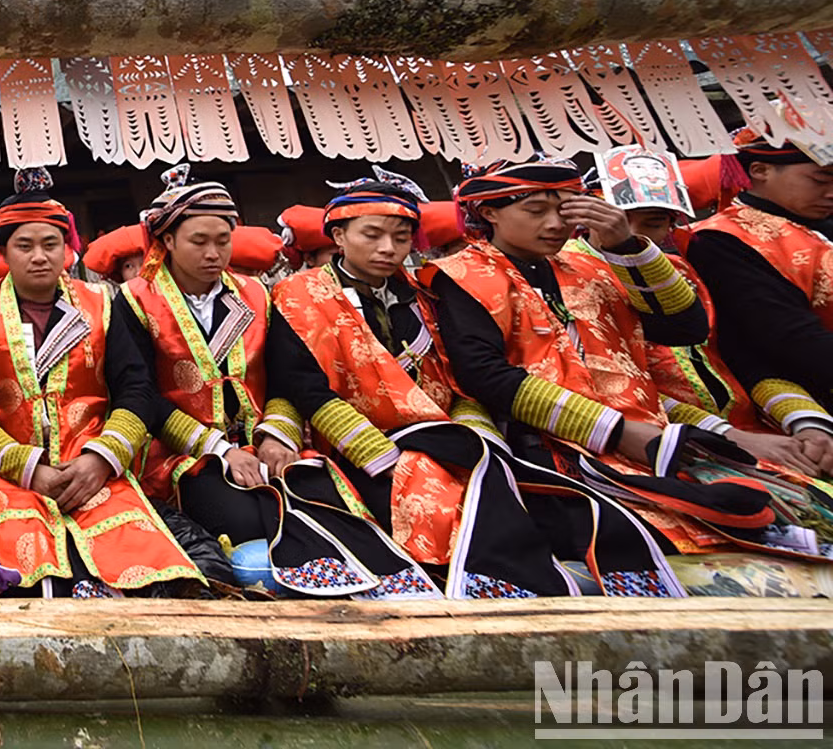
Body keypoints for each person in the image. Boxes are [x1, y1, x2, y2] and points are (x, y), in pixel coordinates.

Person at [270, 180, 681, 598]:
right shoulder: (297, 295)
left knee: (503, 489)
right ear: (339, 236)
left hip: (446, 434)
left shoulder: (425, 291)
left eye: (400, 237)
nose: (388, 249)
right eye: (371, 235)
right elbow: (306, 387)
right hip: (358, 443)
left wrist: (478, 440)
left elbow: (459, 380)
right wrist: (379, 456)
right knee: (428, 496)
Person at [419, 158, 812, 565]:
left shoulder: (593, 265)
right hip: (555, 446)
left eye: (565, 210)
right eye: (536, 211)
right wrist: (616, 431)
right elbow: (483, 374)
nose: (555, 224)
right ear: (489, 213)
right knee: (645, 540)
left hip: (651, 436)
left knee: (782, 507)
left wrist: (626, 245)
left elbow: (684, 329)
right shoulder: (460, 275)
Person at [117, 169, 428, 597]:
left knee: (322, 494)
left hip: (262, 441)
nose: (214, 253)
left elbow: (287, 378)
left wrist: (276, 436)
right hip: (184, 451)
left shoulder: (257, 294)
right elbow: (142, 394)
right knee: (244, 515)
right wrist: (221, 451)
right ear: (167, 241)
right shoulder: (133, 300)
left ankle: (382, 589)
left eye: (222, 240)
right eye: (198, 241)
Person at [0, 168, 197, 596]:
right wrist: (27, 469)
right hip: (11, 467)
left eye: (50, 244)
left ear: (68, 250)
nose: (39, 256)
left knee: (136, 563)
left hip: (93, 459)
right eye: (24, 246)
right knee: (27, 572)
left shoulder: (105, 305)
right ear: (2, 251)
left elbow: (136, 390)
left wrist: (101, 459)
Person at [588, 159, 833, 477]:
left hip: (755, 428)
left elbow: (739, 360)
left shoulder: (682, 270)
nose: (631, 236)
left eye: (653, 223)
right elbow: (616, 386)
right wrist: (727, 436)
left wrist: (807, 422)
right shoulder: (579, 277)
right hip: (661, 441)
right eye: (618, 223)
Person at [688, 130, 833, 432]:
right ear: (760, 171)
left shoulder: (819, 224)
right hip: (806, 398)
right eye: (821, 180)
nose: (831, 191)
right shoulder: (724, 240)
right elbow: (792, 341)